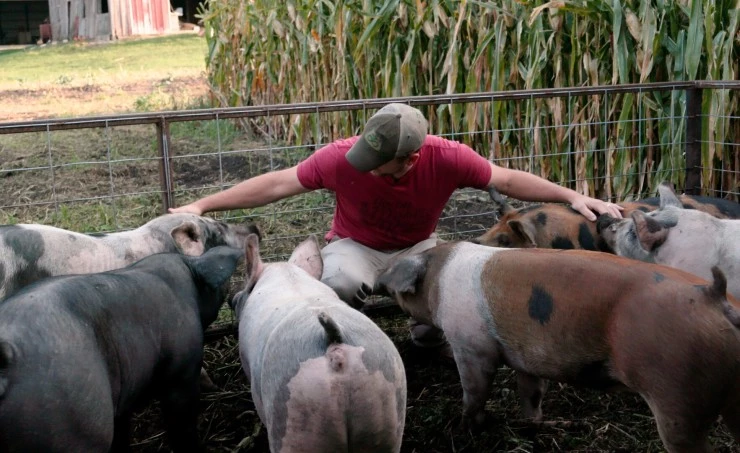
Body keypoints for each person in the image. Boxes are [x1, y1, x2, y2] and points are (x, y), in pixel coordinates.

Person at [169, 103, 623, 349]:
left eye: (377, 162)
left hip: (418, 244)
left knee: (450, 296)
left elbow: (504, 179)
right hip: (355, 244)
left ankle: (426, 330)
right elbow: (277, 184)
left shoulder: (448, 158)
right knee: (338, 282)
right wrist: (203, 204)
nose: (363, 166)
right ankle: (343, 343)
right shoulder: (343, 158)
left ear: (411, 158)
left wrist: (571, 196)